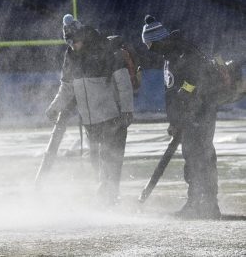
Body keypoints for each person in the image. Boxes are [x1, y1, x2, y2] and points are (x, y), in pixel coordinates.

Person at [45, 14, 134, 206]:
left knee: (110, 159)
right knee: (96, 161)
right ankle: (107, 197)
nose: (73, 46)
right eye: (69, 43)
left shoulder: (104, 48)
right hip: (90, 120)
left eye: (75, 41)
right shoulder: (70, 55)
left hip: (112, 115)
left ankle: (108, 199)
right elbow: (67, 87)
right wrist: (54, 107)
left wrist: (127, 109)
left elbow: (123, 80)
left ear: (83, 36)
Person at [141, 15, 220, 219]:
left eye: (149, 43)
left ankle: (204, 205)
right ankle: (200, 203)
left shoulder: (183, 52)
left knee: (200, 158)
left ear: (158, 39)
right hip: (188, 116)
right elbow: (172, 89)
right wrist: (175, 121)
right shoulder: (170, 55)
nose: (148, 48)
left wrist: (186, 97)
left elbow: (195, 80)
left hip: (199, 115)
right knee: (195, 158)